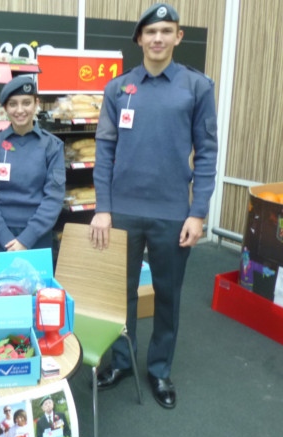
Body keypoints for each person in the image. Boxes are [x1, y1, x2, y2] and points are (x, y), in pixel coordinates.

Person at [89, 3, 218, 410]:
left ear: (178, 37)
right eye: (150, 32)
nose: (158, 38)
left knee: (167, 295)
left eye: (166, 31)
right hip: (122, 212)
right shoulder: (118, 88)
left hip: (173, 214)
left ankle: (159, 369)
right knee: (119, 294)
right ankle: (123, 361)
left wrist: (198, 212)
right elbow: (105, 150)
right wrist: (103, 207)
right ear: (139, 39)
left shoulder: (197, 87)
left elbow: (208, 152)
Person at [0, 76, 65, 252]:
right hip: (0, 237)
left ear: (36, 104)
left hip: (38, 236)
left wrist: (26, 239)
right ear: (5, 109)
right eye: (13, 104)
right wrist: (4, 237)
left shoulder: (52, 146)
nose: (20, 110)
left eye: (26, 103)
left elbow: (53, 197)